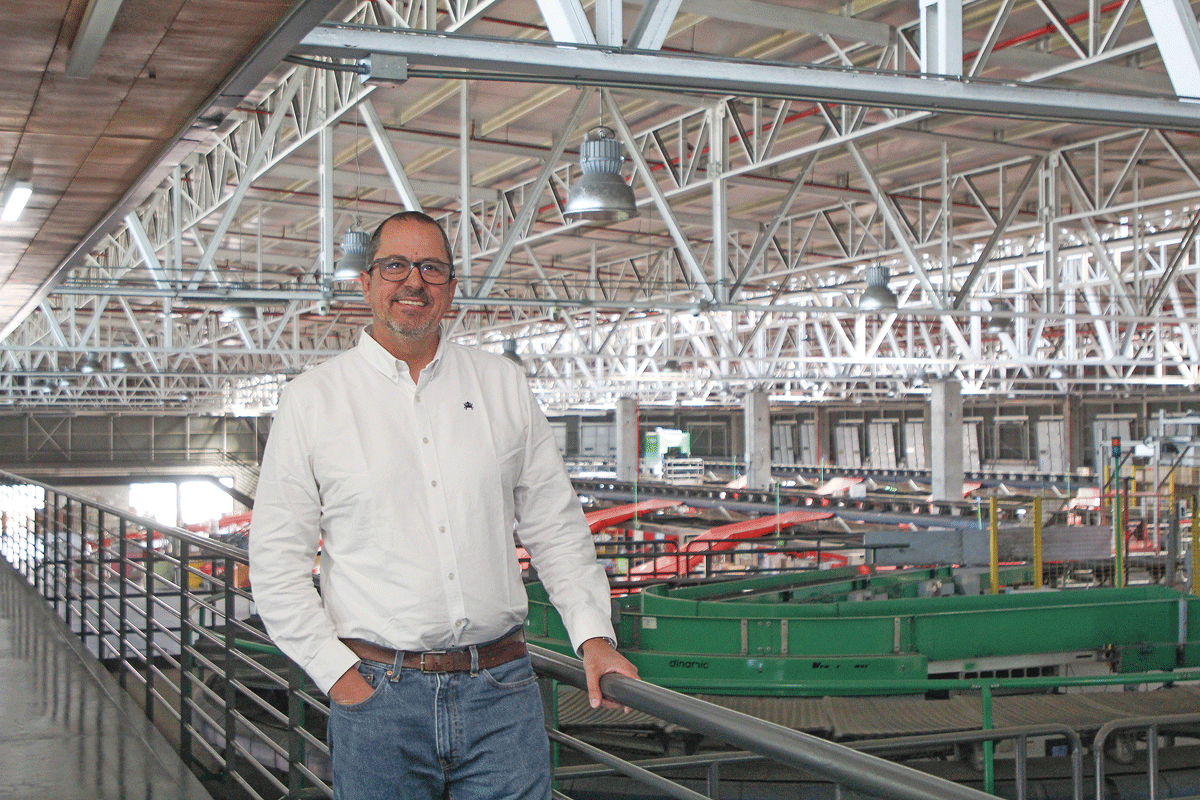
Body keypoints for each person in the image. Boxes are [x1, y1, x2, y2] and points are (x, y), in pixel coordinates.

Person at [249, 210, 638, 800]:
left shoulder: (502, 385)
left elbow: (555, 527)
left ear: (451, 288)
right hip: (378, 697)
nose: (414, 282)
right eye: (395, 266)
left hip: (502, 695)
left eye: (432, 268)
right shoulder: (313, 402)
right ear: (367, 281)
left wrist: (594, 637)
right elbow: (277, 564)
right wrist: (339, 676)